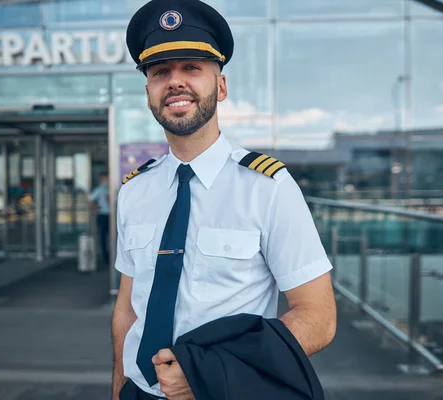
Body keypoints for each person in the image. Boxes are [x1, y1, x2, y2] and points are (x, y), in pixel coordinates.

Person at [112, 1, 337, 399]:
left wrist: (206, 372)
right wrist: (118, 391)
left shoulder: (267, 187)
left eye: (192, 68)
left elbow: (318, 317)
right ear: (149, 92)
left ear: (220, 86)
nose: (175, 82)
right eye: (161, 72)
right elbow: (128, 312)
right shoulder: (134, 190)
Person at [88, 171, 110, 265]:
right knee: (103, 239)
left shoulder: (113, 188)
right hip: (104, 216)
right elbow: (89, 201)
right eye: (105, 179)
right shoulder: (100, 189)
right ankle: (106, 259)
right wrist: (97, 206)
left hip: (113, 217)